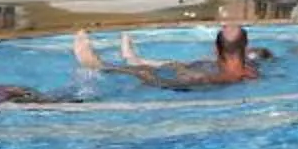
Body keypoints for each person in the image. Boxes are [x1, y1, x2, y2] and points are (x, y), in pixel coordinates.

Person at [74, 25, 267, 91]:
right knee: (175, 64)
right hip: (199, 78)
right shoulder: (251, 73)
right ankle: (133, 59)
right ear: (246, 46)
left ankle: (98, 65)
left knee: (145, 74)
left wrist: (190, 76)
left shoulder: (225, 76)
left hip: (192, 85)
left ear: (216, 49)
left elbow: (205, 80)